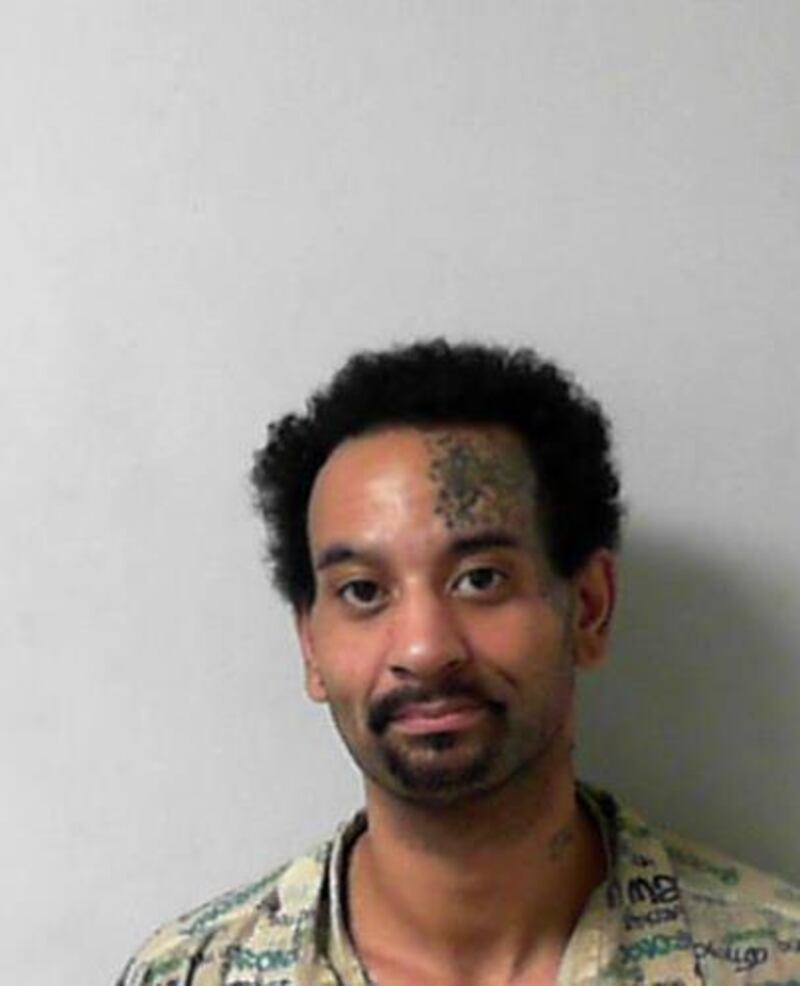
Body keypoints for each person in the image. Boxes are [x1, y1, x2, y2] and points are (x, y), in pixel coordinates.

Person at [118, 340, 800, 986]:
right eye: (363, 591)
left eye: (480, 580)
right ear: (311, 645)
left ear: (588, 609)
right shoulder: (190, 974)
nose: (424, 649)